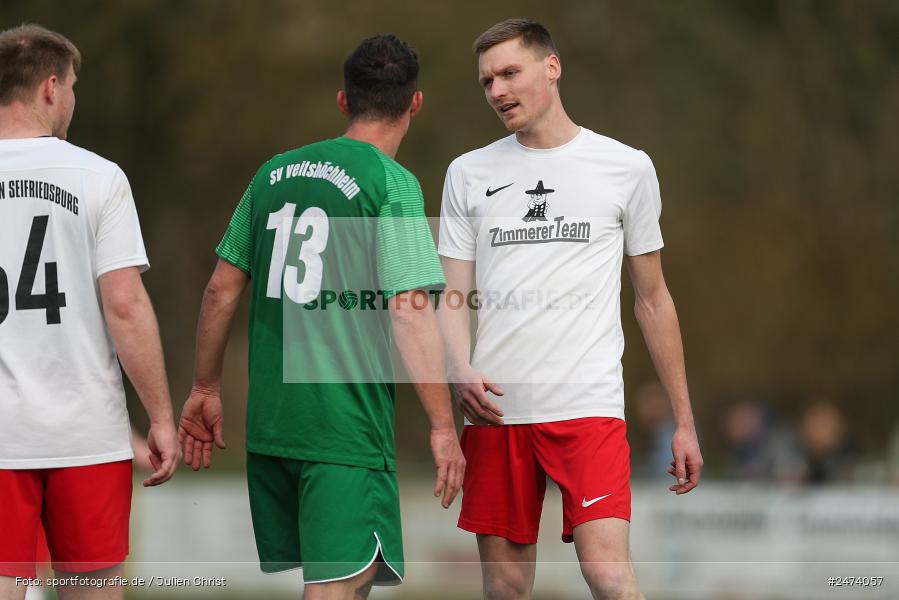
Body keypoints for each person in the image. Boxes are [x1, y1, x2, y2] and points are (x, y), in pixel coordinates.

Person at [178, 35, 464, 599]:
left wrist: (205, 386)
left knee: (345, 584)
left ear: (343, 101)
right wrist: (440, 425)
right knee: (338, 586)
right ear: (415, 103)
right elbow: (409, 311)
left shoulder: (272, 174)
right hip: (344, 429)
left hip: (273, 428)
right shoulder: (393, 183)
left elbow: (219, 290)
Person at [437, 18, 703, 599]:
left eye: (510, 73)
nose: (497, 91)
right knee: (505, 586)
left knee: (607, 573)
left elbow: (653, 300)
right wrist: (458, 368)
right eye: (486, 81)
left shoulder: (626, 167)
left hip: (588, 406)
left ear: (551, 68)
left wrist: (684, 420)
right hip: (496, 411)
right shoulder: (467, 173)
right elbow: (452, 295)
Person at [0, 24, 181, 600]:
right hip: (86, 435)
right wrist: (159, 416)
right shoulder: (98, 176)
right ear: (51, 88)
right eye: (74, 85)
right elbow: (124, 306)